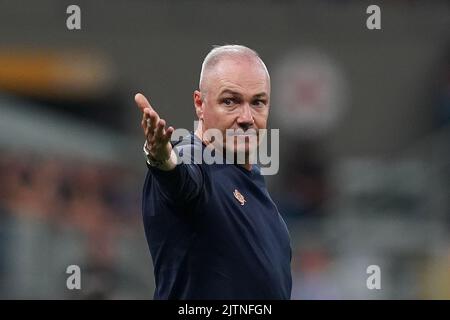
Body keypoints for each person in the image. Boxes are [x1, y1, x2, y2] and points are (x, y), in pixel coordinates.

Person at [135, 45, 292, 299]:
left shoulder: (253, 182)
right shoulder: (194, 157)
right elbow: (180, 176)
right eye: (230, 101)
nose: (246, 117)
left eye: (258, 102)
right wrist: (161, 158)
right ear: (200, 104)